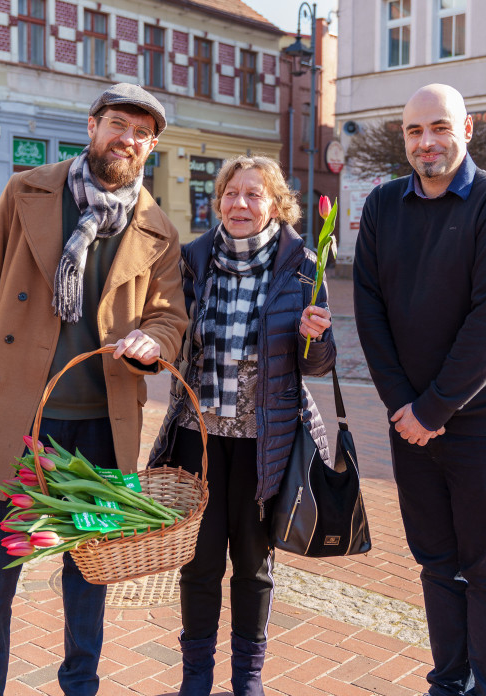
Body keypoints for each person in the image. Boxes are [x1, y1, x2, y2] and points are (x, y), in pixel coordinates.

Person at [0, 83, 188, 696]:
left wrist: (155, 342)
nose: (126, 139)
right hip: (21, 418)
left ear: (151, 147)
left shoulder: (156, 228)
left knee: (89, 573)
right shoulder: (28, 191)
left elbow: (169, 316)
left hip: (102, 425)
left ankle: (80, 685)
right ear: (92, 125)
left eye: (141, 133)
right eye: (117, 124)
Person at [353, 83, 486, 696]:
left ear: (467, 130)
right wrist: (402, 406)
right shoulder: (383, 207)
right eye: (413, 131)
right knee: (435, 563)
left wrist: (431, 409)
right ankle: (448, 682)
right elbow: (370, 311)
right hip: (411, 421)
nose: (426, 142)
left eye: (439, 127)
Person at [148, 155, 336, 696]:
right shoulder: (193, 260)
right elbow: (168, 330)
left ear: (275, 205)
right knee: (198, 564)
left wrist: (316, 336)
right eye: (231, 193)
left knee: (253, 567)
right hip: (197, 442)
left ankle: (247, 680)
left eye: (254, 195)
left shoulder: (303, 265)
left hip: (264, 444)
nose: (240, 204)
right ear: (218, 201)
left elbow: (318, 364)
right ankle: (195, 678)